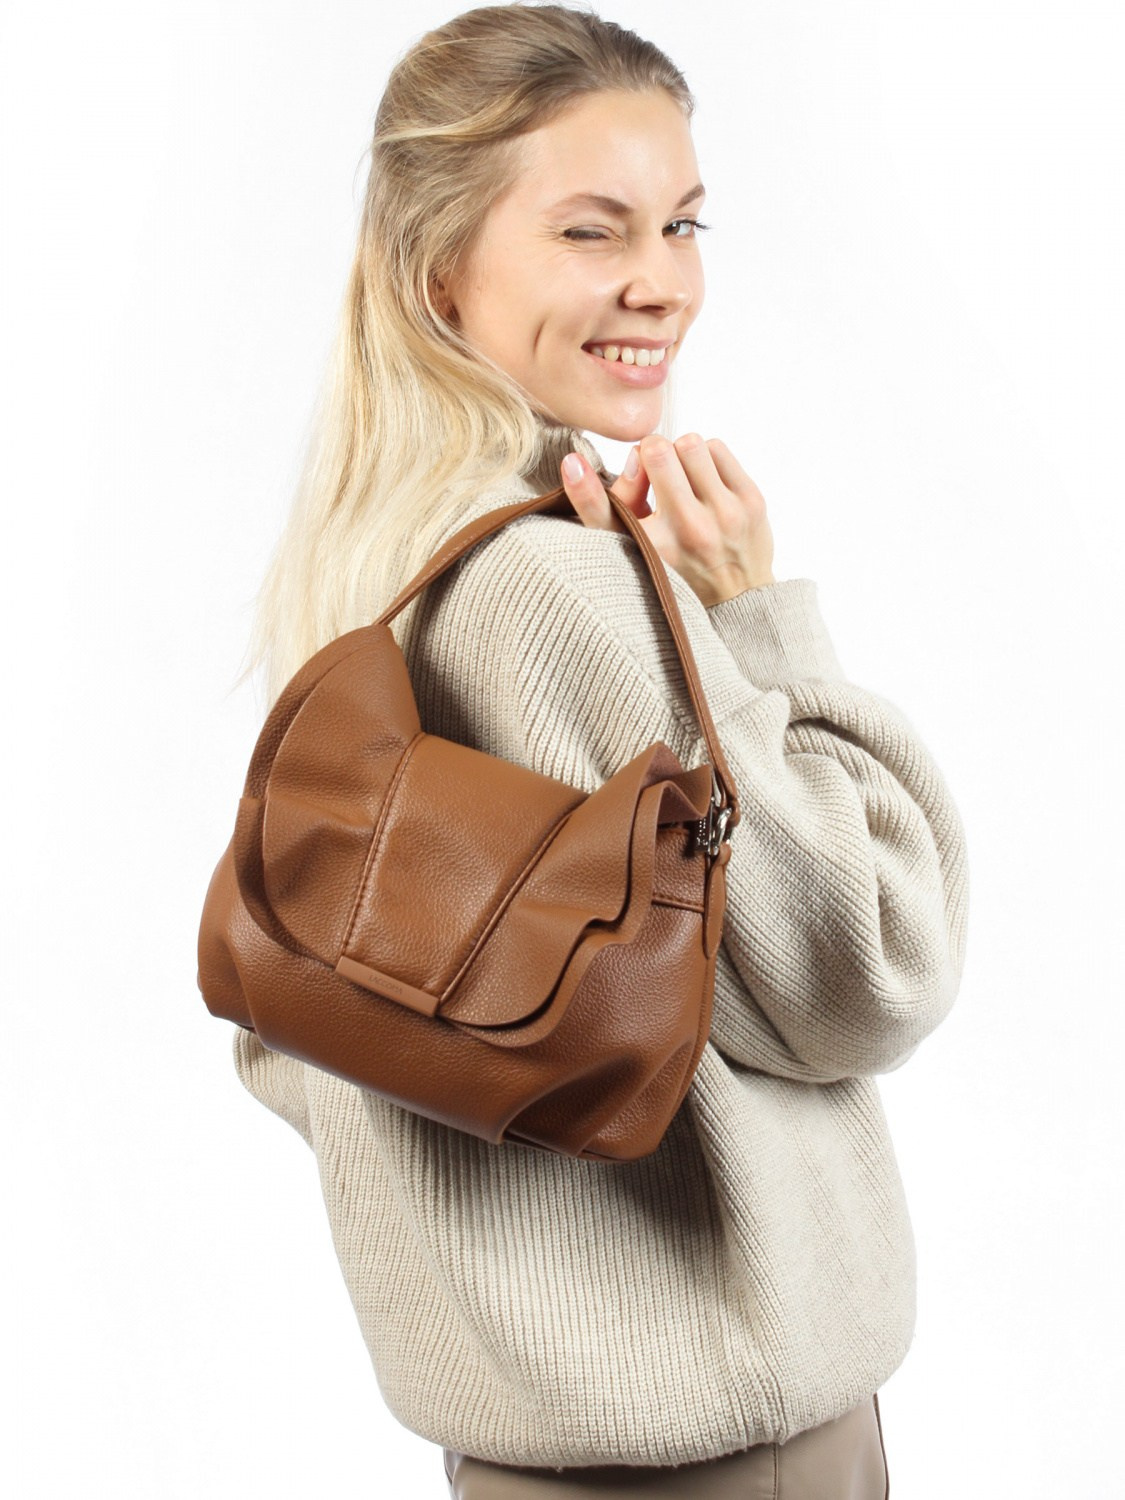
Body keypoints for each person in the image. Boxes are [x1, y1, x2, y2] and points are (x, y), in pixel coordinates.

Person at [230, 4, 969, 1495]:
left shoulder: (371, 566)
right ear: (439, 269)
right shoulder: (559, 591)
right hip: (728, 1446)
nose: (661, 283)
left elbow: (289, 1020)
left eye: (683, 224)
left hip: (522, 1454)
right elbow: (866, 968)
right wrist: (756, 622)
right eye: (592, 230)